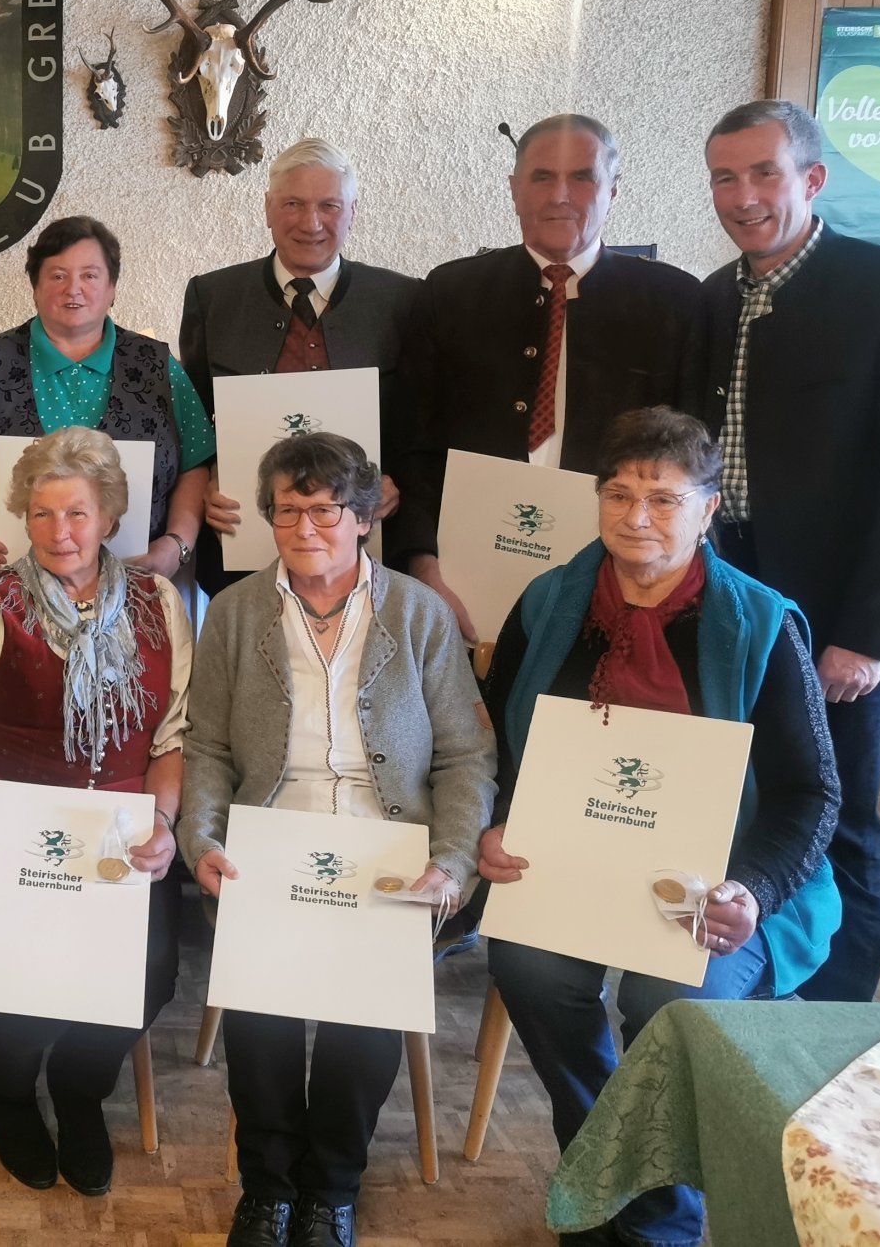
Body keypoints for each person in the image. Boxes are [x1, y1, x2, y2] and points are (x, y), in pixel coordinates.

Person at [479, 406, 839, 1247]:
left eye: (664, 499)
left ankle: (655, 1215)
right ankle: (607, 1172)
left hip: (719, 882)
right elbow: (495, 742)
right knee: (527, 965)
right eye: (619, 494)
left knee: (668, 997)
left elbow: (813, 794)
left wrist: (754, 891)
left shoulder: (761, 622)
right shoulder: (550, 601)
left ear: (708, 510)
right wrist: (494, 825)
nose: (636, 516)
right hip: (574, 865)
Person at [179, 432, 496, 1247]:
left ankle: (332, 1189)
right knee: (261, 1012)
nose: (305, 528)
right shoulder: (236, 614)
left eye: (325, 511)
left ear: (362, 518)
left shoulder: (419, 614)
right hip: (269, 837)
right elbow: (206, 747)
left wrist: (451, 862)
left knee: (365, 1014)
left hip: (388, 844)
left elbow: (466, 756)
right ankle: (268, 1188)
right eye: (288, 511)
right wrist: (202, 840)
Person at [0, 427, 189, 1197]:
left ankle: (77, 1086)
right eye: (40, 514)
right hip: (12, 840)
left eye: (76, 513)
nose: (58, 532)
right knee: (21, 974)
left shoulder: (158, 601)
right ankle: (10, 1092)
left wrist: (163, 826)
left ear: (109, 518)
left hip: (124, 838)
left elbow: (173, 734)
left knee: (154, 973)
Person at [699, 98, 880, 1003]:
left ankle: (832, 1034)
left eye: (764, 173)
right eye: (724, 178)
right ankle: (748, 1005)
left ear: (812, 178)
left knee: (837, 819)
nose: (744, 196)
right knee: (743, 807)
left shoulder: (877, 287)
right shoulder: (713, 295)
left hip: (837, 609)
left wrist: (867, 633)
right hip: (734, 593)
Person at [392, 114, 705, 639]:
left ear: (613, 190)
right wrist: (422, 567)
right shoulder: (449, 293)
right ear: (514, 190)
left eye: (582, 177)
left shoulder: (676, 303)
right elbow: (414, 447)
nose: (560, 195)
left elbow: (689, 466)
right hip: (459, 587)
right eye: (542, 177)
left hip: (623, 592)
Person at [178, 138, 418, 595]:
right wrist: (207, 479)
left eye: (329, 205)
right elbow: (193, 422)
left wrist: (399, 482)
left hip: (370, 557)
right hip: (243, 558)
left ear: (352, 212)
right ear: (268, 208)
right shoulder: (213, 297)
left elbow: (423, 423)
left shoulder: (402, 301)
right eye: (293, 204)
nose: (311, 223)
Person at [0, 216, 209, 586]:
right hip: (13, 585)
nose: (73, 289)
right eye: (58, 276)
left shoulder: (158, 364)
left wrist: (177, 544)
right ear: (35, 287)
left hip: (139, 582)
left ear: (112, 287)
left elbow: (195, 462)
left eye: (90, 275)